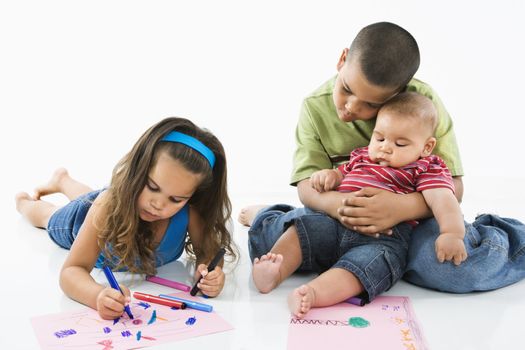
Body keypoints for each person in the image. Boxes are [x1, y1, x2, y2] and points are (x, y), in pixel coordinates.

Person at [240, 21, 525, 298]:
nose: (350, 108)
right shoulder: (314, 108)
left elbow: (452, 188)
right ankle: (270, 216)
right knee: (277, 241)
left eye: (372, 105)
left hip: (410, 221)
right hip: (338, 214)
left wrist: (400, 208)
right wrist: (341, 206)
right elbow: (308, 187)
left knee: (452, 270)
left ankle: (511, 241)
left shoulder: (421, 106)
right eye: (347, 89)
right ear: (342, 60)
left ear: (398, 94)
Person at [245, 92, 467, 318]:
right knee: (302, 227)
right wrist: (329, 176)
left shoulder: (426, 168)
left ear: (427, 147)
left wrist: (452, 233)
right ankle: (274, 272)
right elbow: (340, 174)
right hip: (334, 223)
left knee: (369, 266)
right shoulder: (361, 157)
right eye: (379, 138)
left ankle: (311, 294)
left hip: (383, 239)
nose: (385, 148)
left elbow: (444, 199)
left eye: (400, 143)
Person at [15, 117, 237, 320]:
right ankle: (23, 202)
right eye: (152, 187)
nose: (158, 204)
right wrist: (98, 295)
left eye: (176, 199)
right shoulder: (105, 206)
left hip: (103, 203)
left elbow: (205, 253)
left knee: (89, 198)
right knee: (49, 217)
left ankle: (63, 180)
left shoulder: (190, 212)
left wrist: (210, 274)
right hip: (81, 219)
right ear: (138, 169)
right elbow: (71, 272)